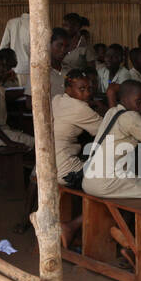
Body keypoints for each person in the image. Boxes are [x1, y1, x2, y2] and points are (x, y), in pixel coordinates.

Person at [83, 79, 141, 203]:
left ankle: (124, 223)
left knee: (133, 195)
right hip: (106, 182)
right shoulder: (131, 117)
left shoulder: (112, 112)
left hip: (88, 180)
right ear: (124, 98)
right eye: (138, 101)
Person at [53, 69, 104, 247]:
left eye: (89, 89)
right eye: (81, 89)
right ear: (68, 89)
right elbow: (108, 131)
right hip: (65, 170)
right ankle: (74, 226)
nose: (87, 93)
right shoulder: (81, 108)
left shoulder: (57, 100)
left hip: (47, 166)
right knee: (111, 184)